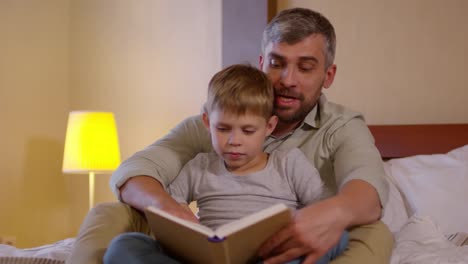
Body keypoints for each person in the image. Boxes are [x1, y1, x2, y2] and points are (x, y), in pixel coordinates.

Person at [66, 7, 393, 264]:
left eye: (305, 67)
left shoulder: (342, 126)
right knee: (110, 216)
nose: (287, 79)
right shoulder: (213, 123)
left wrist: (327, 216)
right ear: (263, 62)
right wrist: (170, 209)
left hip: (285, 249)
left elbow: (369, 190)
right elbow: (136, 170)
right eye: (277, 63)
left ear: (328, 75)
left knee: (375, 233)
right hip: (207, 248)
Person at [102, 64, 349, 264]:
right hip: (207, 259)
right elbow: (172, 208)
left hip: (270, 258)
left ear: (269, 127)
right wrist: (187, 232)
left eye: (248, 130)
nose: (234, 141)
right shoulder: (199, 166)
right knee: (126, 246)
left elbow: (322, 210)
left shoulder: (289, 163)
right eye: (223, 129)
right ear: (207, 123)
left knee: (338, 238)